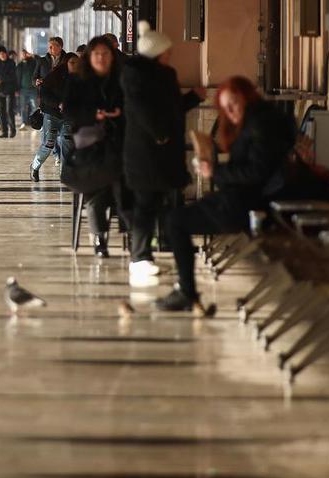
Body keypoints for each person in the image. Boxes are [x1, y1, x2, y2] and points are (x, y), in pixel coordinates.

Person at [156, 77, 296, 311]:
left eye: (234, 104)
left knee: (175, 222)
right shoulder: (259, 121)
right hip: (247, 201)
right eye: (225, 108)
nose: (230, 112)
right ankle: (186, 290)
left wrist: (215, 172)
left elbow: (256, 172)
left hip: (248, 207)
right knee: (175, 220)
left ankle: (187, 292)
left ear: (246, 97)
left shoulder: (259, 125)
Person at [119, 21, 206, 283]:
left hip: (164, 151)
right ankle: (139, 257)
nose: (170, 55)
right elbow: (142, 110)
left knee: (162, 201)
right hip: (145, 151)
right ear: (156, 52)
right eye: (167, 51)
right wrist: (160, 134)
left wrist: (193, 98)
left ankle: (164, 244)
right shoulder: (136, 76)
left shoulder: (164, 74)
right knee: (145, 204)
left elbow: (172, 108)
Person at [62, 37, 124, 257]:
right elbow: (69, 112)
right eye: (96, 54)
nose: (101, 58)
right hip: (89, 146)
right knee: (96, 186)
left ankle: (132, 234)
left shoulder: (120, 79)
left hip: (117, 143)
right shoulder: (77, 81)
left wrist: (118, 114)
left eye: (105, 53)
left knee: (123, 183)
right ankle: (99, 236)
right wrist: (93, 115)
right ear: (89, 56)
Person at [31, 50, 73, 181]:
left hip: (67, 116)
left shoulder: (79, 78)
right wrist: (58, 104)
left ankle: (65, 173)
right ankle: (35, 167)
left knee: (67, 143)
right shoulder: (53, 76)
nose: (75, 65)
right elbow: (44, 95)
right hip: (51, 114)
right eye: (72, 62)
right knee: (48, 144)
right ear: (66, 63)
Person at [0, 46, 19, 138]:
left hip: (10, 90)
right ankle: (4, 131)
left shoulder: (11, 63)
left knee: (9, 111)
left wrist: (1, 79)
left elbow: (13, 76)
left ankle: (13, 130)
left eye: (3, 53)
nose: (2, 55)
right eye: (0, 54)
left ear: (6, 54)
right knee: (1, 111)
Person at [16, 50, 38, 130]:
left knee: (34, 107)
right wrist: (17, 89)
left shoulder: (33, 62)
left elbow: (39, 60)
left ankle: (34, 122)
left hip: (33, 89)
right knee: (23, 107)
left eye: (25, 54)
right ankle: (23, 123)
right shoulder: (19, 65)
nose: (24, 55)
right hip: (23, 89)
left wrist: (33, 55)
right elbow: (17, 78)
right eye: (22, 54)